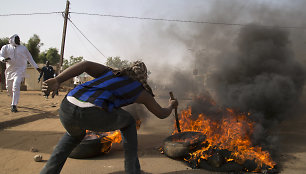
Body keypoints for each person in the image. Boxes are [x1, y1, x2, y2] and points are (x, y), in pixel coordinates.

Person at [40, 60, 178, 174]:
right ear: (144, 76)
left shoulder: (110, 72)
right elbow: (161, 113)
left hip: (67, 106)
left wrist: (58, 80)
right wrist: (171, 105)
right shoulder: (140, 90)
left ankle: (48, 172)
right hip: (92, 112)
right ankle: (132, 171)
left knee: (73, 135)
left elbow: (85, 64)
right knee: (129, 121)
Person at [0, 34, 41, 112]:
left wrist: (36, 67)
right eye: (17, 39)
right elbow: (0, 55)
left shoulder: (23, 48)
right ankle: (14, 99)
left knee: (16, 85)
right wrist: (3, 59)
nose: (19, 40)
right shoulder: (6, 47)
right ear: (12, 40)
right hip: (9, 71)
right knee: (8, 88)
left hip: (20, 70)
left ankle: (14, 105)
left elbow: (30, 58)